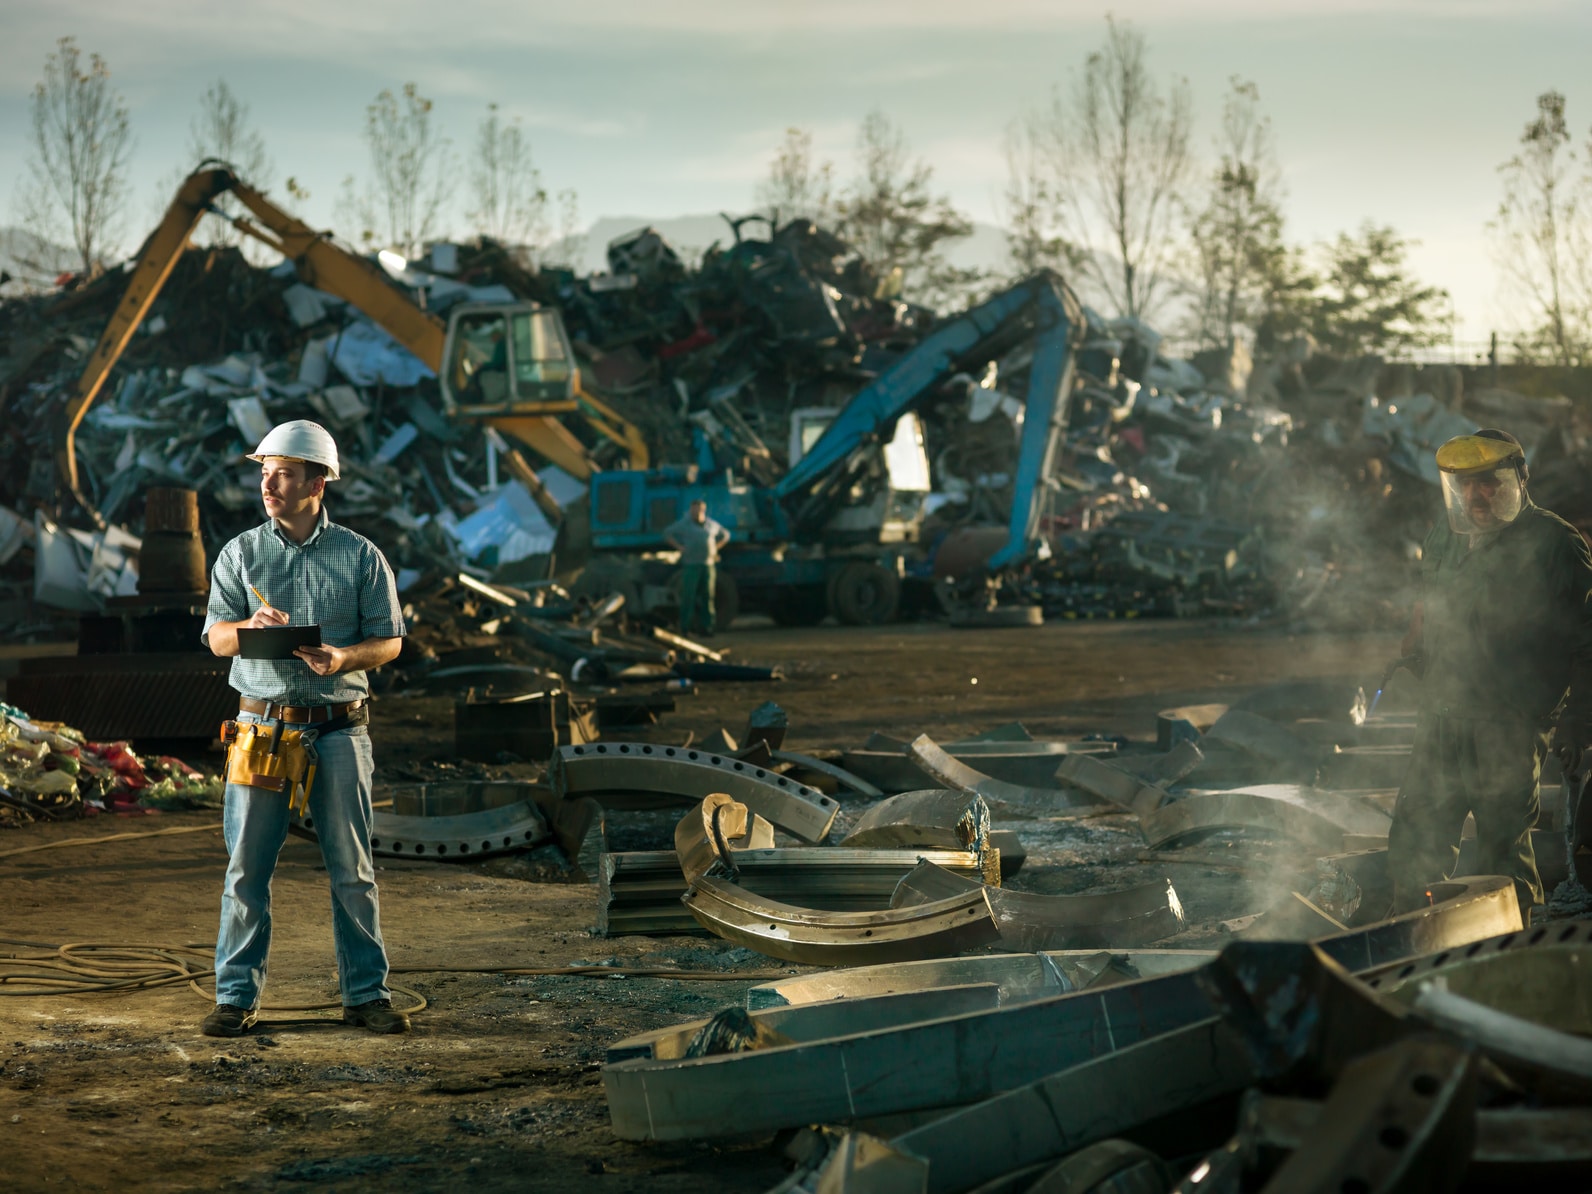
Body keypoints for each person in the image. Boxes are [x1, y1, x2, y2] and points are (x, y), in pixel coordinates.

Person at [199, 420, 408, 1037]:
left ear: (318, 483)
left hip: (340, 729)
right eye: (264, 472)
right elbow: (216, 639)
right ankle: (235, 999)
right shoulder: (240, 554)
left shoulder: (360, 556)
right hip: (262, 729)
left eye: (284, 473)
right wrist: (251, 630)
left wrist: (343, 659)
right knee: (246, 870)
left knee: (353, 869)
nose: (269, 484)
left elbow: (390, 641)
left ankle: (366, 994)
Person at [1387, 428, 1592, 923]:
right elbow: (1428, 605)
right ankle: (1414, 945)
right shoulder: (1445, 536)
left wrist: (1578, 723)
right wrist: (1414, 649)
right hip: (1442, 714)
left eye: (1489, 482)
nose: (1477, 494)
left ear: (1521, 477)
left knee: (1502, 849)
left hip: (1510, 722)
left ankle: (1517, 950)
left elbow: (1588, 640)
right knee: (1416, 836)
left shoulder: (1555, 544)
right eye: (1467, 484)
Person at [664, 499, 731, 636]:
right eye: (694, 509)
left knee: (708, 597)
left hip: (708, 565)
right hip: (691, 565)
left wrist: (715, 549)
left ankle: (707, 628)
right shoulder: (684, 525)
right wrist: (679, 547)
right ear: (690, 510)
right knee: (688, 596)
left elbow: (725, 535)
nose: (697, 512)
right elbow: (667, 533)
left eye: (699, 509)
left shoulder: (711, 525)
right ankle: (685, 628)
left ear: (704, 510)